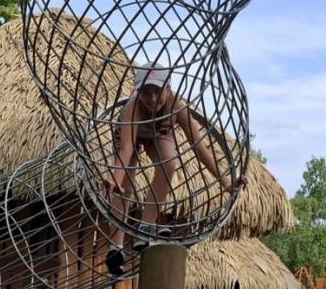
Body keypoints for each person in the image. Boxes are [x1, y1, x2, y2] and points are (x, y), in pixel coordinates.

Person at [102, 65, 240, 276]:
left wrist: (227, 182)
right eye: (146, 92)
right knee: (124, 187)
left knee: (169, 163)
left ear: (169, 89)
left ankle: (146, 228)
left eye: (157, 91)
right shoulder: (133, 107)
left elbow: (200, 148)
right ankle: (116, 248)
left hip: (159, 132)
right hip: (129, 134)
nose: (151, 98)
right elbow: (127, 148)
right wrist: (116, 178)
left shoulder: (177, 107)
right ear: (138, 92)